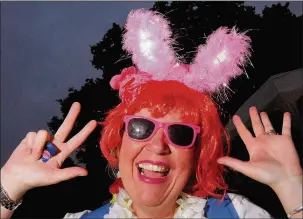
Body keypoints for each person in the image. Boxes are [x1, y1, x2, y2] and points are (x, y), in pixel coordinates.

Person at [1, 9, 302, 219]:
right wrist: (6, 192)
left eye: (180, 133)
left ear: (196, 155)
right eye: (142, 127)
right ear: (120, 143)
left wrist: (292, 190)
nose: (158, 147)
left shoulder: (238, 214)